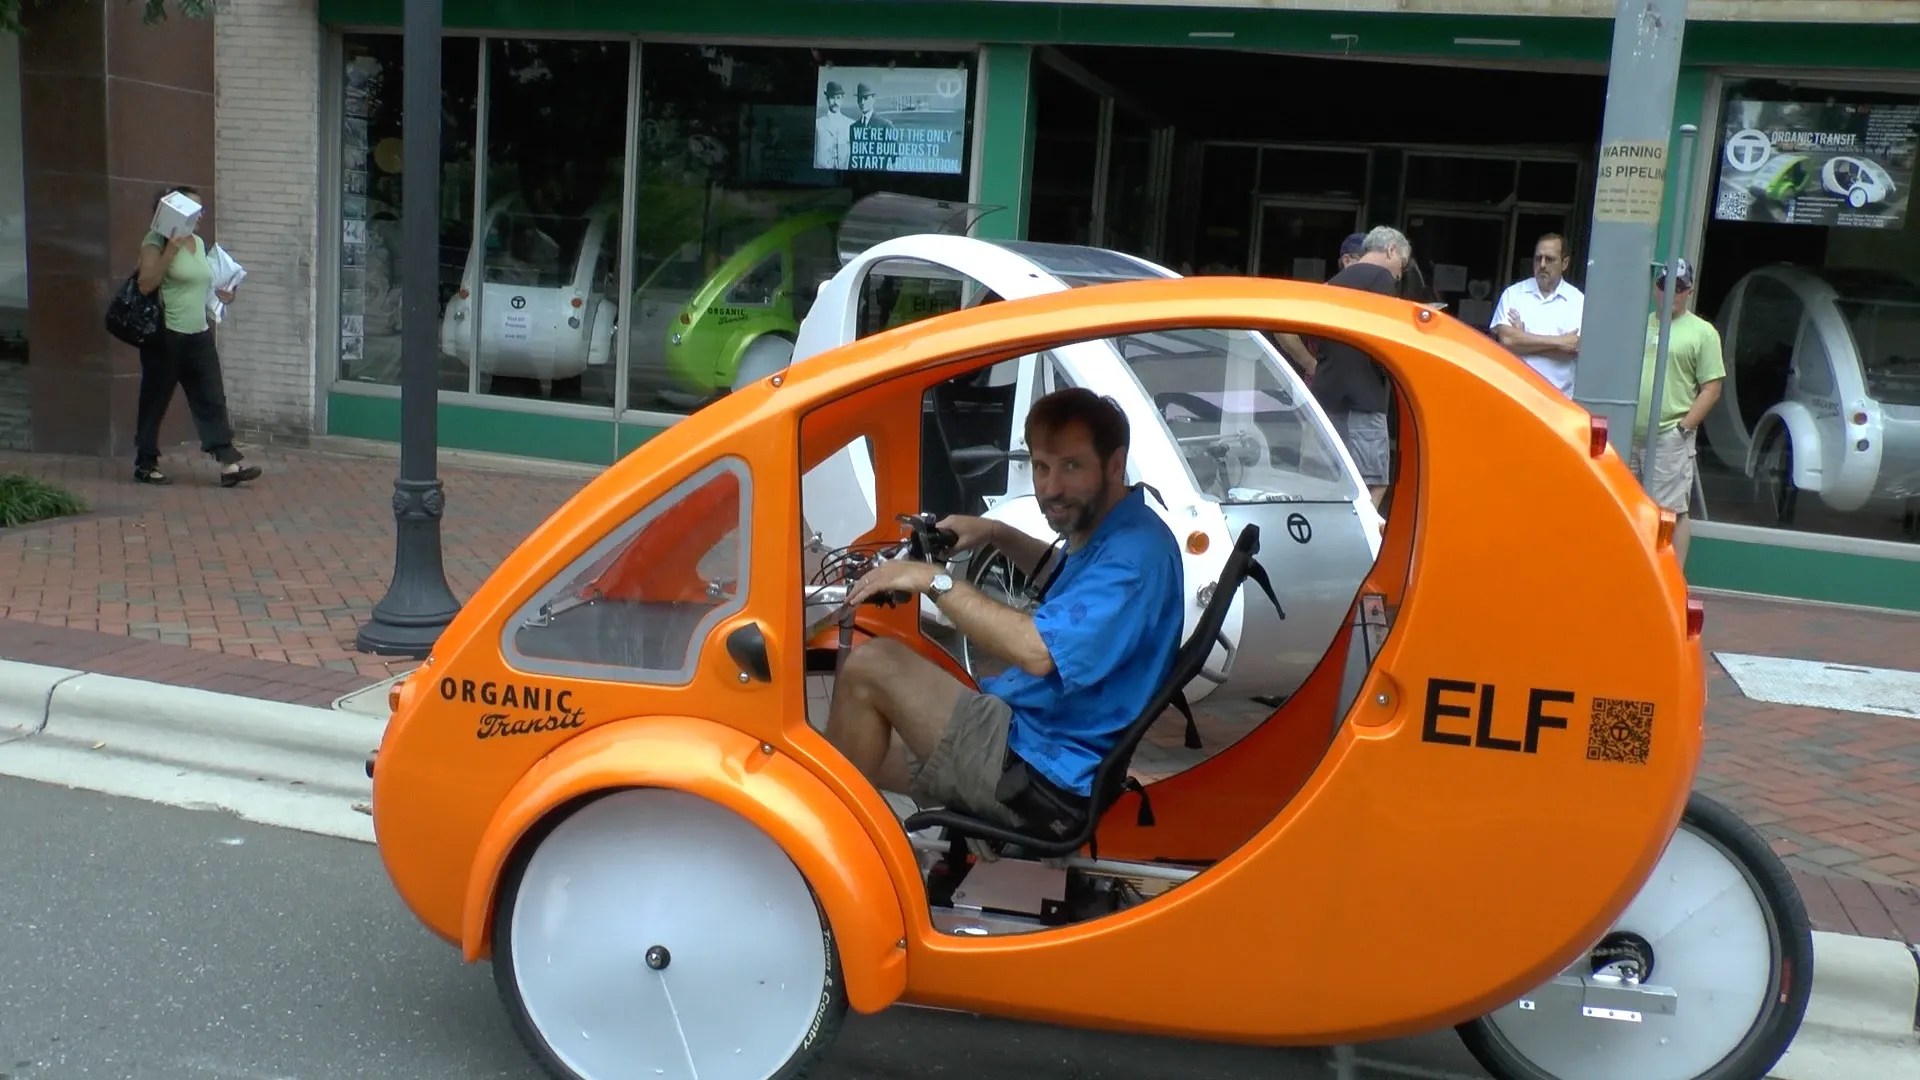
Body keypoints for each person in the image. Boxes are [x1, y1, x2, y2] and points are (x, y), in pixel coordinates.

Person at [823, 387, 1185, 838]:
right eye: (1041, 467)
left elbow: (1037, 652)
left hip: (1040, 773)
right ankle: (865, 850)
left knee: (870, 666)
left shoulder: (1133, 559)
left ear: (1115, 464)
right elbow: (1066, 581)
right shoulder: (1123, 530)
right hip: (1035, 737)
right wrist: (995, 532)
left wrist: (930, 580)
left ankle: (828, 853)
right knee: (855, 739)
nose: (1051, 488)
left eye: (1071, 466)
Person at [132, 186, 261, 488]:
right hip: (167, 335)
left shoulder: (199, 242)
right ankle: (145, 462)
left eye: (201, 209)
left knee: (212, 398)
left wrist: (222, 296)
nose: (200, 214)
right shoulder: (155, 241)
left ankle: (229, 464)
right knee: (156, 399)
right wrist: (171, 249)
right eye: (194, 209)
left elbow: (202, 285)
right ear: (175, 211)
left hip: (198, 333)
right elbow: (146, 284)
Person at [1309, 225, 1410, 507]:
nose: (1399, 275)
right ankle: (1360, 547)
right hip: (1363, 398)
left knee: (1333, 481)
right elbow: (1384, 335)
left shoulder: (1334, 283)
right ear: (1390, 250)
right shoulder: (1381, 277)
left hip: (1326, 394)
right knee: (1374, 482)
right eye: (1401, 266)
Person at [1635, 257, 1724, 567]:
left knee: (1671, 511)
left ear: (1689, 291)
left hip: (1669, 434)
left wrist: (1683, 429)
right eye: (1664, 286)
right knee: (1629, 506)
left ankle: (1673, 576)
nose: (1671, 293)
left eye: (1679, 288)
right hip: (1631, 435)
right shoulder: (1641, 323)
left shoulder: (1703, 332)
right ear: (1655, 288)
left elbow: (1712, 388)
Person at [1490, 233, 1584, 396]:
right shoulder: (1513, 294)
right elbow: (1507, 340)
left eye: (1550, 259)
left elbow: (1573, 347)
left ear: (1565, 263)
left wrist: (1524, 340)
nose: (1542, 265)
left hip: (1559, 400)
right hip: (1516, 396)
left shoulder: (1578, 300)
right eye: (1537, 258)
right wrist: (1560, 342)